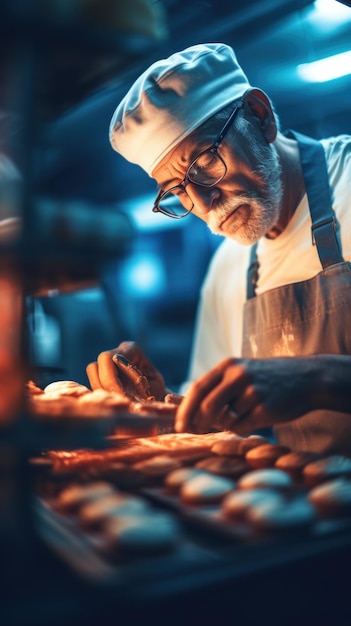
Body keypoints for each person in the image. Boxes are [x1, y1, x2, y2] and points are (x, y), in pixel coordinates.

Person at [87, 42, 351, 455]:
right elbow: (218, 428)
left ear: (260, 117)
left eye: (205, 162)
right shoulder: (230, 266)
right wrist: (164, 406)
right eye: (176, 191)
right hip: (309, 509)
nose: (205, 205)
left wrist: (320, 380)